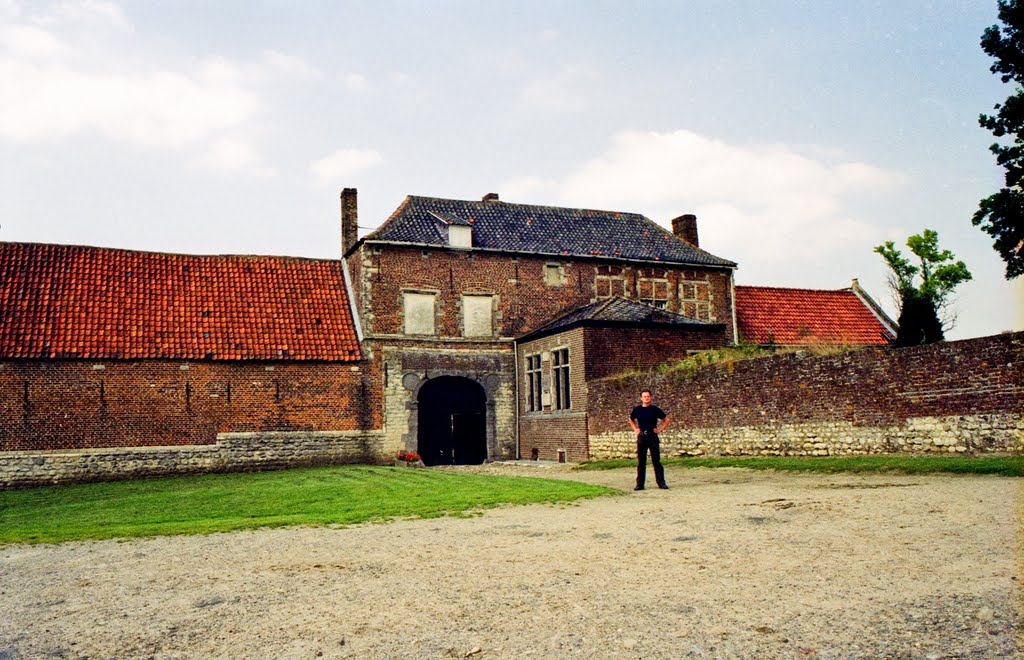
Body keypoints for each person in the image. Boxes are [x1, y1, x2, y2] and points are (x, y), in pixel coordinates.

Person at [629, 389, 670, 490]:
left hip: (652, 436)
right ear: (641, 398)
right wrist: (635, 429)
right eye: (644, 396)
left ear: (650, 397)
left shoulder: (655, 409)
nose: (646, 398)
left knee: (656, 461)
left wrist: (660, 429)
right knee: (641, 461)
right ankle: (640, 484)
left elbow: (666, 419)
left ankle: (661, 483)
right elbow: (631, 419)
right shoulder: (637, 410)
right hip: (642, 437)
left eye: (648, 396)